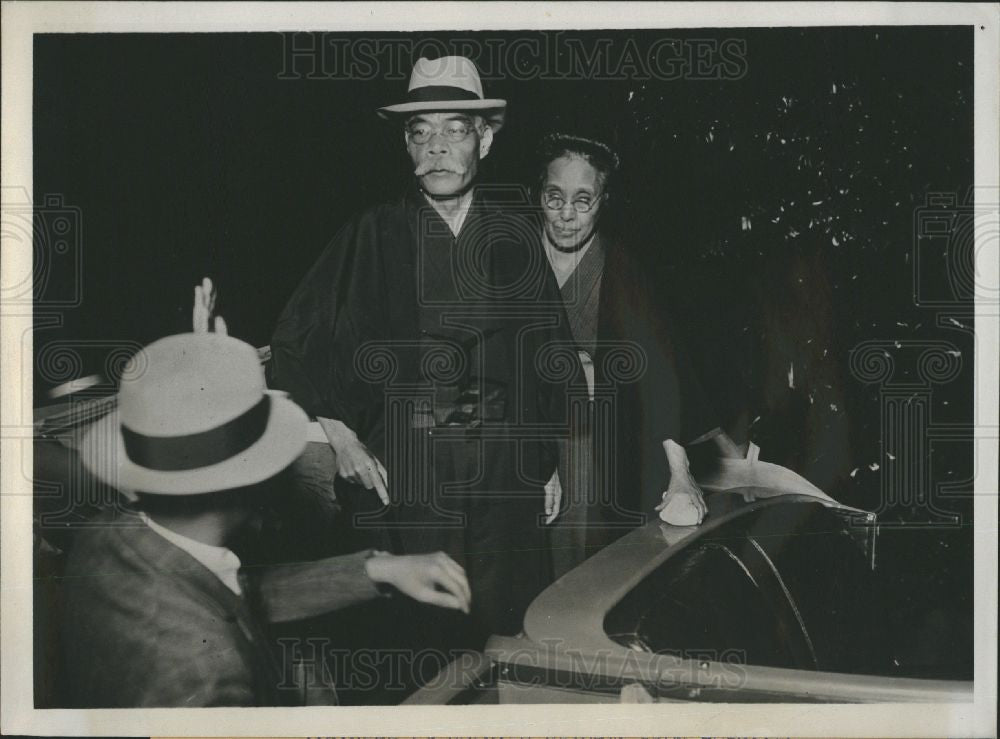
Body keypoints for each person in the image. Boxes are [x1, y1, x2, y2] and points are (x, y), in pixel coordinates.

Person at [269, 57, 572, 649]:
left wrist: (547, 460)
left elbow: (544, 355)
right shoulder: (370, 235)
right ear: (406, 146)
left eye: (454, 129)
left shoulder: (515, 239)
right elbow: (297, 340)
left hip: (501, 481)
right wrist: (339, 434)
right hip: (405, 477)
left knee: (503, 634)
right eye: (420, 132)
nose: (436, 148)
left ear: (484, 139)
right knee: (413, 647)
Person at [62, 328, 471, 707]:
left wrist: (378, 569)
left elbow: (232, 594)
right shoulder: (202, 677)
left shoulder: (108, 535)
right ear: (249, 484)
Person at [532, 133, 747, 577]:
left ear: (603, 200)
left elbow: (656, 365)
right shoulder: (512, 259)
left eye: (583, 200)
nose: (567, 215)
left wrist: (679, 467)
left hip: (592, 441)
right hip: (520, 433)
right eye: (555, 198)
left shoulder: (620, 267)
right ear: (539, 194)